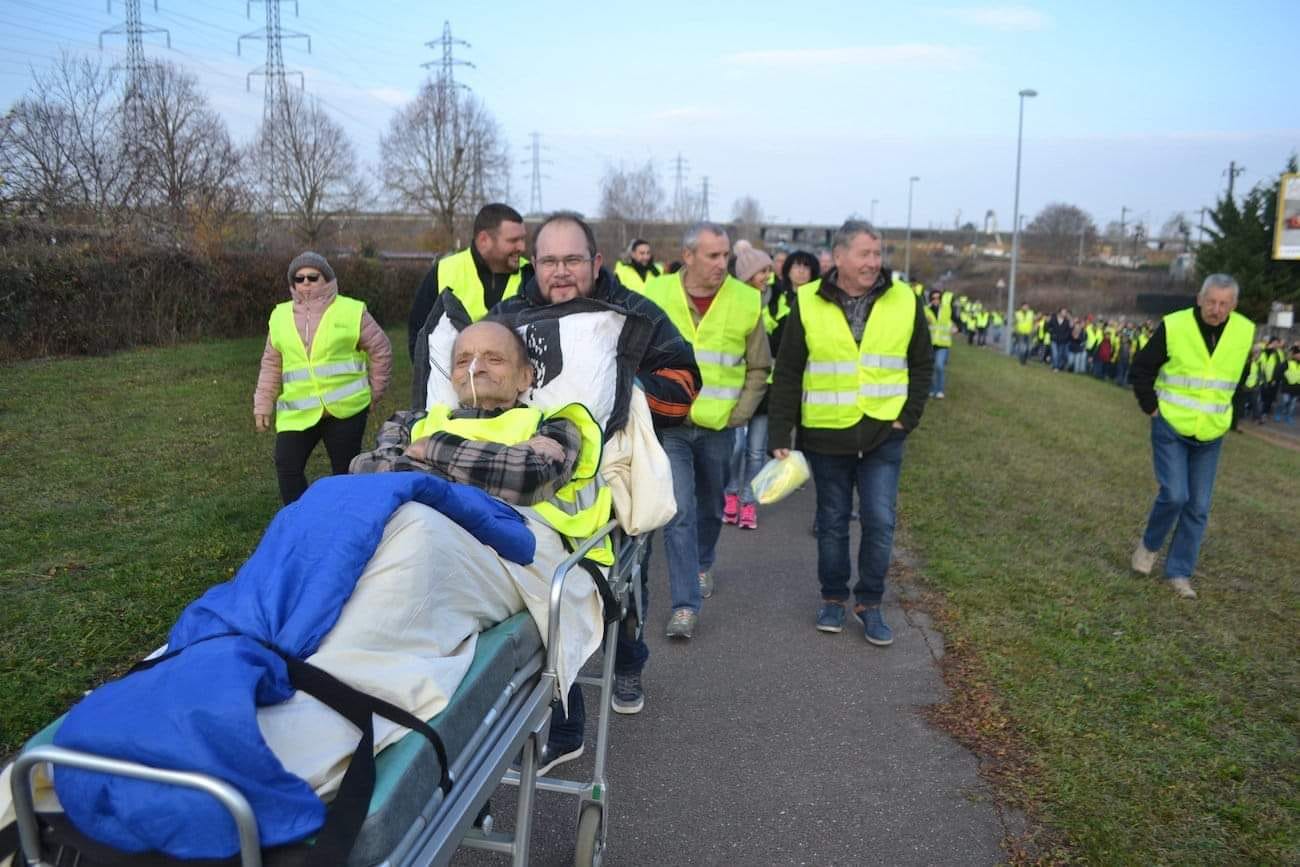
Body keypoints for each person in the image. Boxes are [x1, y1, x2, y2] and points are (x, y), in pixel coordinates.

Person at [491, 211, 701, 735]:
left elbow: (685, 381)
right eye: (549, 261)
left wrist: (622, 394)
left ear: (597, 262)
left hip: (612, 471)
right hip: (536, 472)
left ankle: (628, 659)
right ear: (533, 263)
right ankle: (541, 673)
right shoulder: (508, 314)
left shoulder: (634, 312)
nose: (561, 272)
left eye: (573, 260)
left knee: (620, 579)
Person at [768, 219, 932, 645]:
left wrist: (907, 418)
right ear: (838, 257)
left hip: (884, 432)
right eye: (864, 254)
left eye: (877, 255)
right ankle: (834, 598)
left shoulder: (905, 301)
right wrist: (779, 434)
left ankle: (871, 602)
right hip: (826, 434)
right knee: (833, 522)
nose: (873, 263)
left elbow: (921, 364)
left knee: (880, 520)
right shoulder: (806, 302)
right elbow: (787, 371)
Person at [643, 222, 770, 638]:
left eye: (726, 256)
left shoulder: (747, 300)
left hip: (719, 426)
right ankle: (685, 605)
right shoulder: (655, 294)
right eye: (714, 256)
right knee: (679, 510)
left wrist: (740, 414)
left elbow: (758, 366)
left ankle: (703, 562)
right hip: (672, 424)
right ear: (688, 255)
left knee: (712, 506)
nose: (723, 264)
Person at [1129, 274, 1253, 599]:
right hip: (1170, 424)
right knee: (1174, 495)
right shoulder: (1175, 326)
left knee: (1198, 506)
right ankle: (1148, 546)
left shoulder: (1244, 331)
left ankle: (1179, 574)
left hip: (1211, 433)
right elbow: (1140, 368)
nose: (1216, 309)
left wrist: (1232, 417)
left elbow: (1240, 378)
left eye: (1224, 303)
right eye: (1211, 301)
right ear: (1199, 299)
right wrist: (1151, 408)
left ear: (1234, 305)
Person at [254, 252, 392, 505]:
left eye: (312, 277)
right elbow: (271, 363)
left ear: (326, 279)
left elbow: (381, 349)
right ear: (292, 283)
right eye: (299, 278)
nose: (305, 283)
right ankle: (301, 519)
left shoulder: (351, 311)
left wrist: (375, 391)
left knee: (345, 472)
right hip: (298, 412)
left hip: (346, 409)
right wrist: (263, 403)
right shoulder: (280, 316)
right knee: (287, 465)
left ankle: (346, 519)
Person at [406, 203, 532, 359]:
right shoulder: (444, 271)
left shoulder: (530, 275)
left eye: (523, 239)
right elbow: (418, 337)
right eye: (513, 240)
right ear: (484, 240)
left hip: (514, 382)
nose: (522, 247)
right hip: (452, 382)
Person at [722, 244, 774, 530]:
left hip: (765, 389)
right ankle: (729, 494)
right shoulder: (733, 303)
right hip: (735, 388)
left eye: (768, 270)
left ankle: (748, 501)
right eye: (761, 271)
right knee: (736, 447)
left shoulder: (773, 300)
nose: (767, 276)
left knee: (756, 451)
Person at [925, 287, 955, 398]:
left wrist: (954, 327)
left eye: (938, 298)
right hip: (930, 343)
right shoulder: (926, 310)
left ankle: (940, 389)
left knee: (939, 366)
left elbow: (951, 320)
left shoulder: (946, 309)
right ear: (930, 299)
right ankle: (932, 389)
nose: (936, 300)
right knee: (931, 367)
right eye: (933, 298)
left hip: (943, 343)